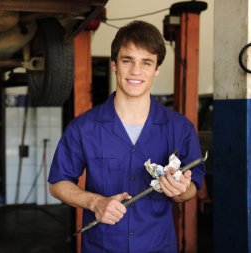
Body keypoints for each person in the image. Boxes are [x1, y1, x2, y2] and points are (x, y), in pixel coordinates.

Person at [48, 20, 205, 253]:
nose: (135, 72)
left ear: (156, 69)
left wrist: (181, 190)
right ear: (114, 64)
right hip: (102, 247)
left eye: (146, 62)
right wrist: (95, 202)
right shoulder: (84, 127)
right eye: (127, 60)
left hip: (158, 247)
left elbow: (193, 188)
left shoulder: (179, 128)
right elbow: (58, 184)